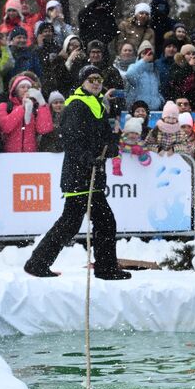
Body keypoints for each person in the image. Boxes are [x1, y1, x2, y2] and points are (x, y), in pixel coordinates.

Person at [24, 65, 129, 280]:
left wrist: (111, 147)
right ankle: (104, 268)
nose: (96, 82)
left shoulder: (98, 104)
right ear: (82, 82)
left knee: (81, 221)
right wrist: (88, 159)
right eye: (91, 79)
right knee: (95, 221)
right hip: (79, 175)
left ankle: (38, 262)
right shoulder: (76, 104)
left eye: (99, 78)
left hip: (92, 174)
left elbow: (106, 136)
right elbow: (71, 140)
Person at [0, 74, 52, 151]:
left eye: (28, 87)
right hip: (9, 155)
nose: (26, 89)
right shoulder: (4, 106)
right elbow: (6, 127)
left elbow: (44, 129)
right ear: (15, 90)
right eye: (22, 87)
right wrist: (23, 108)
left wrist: (42, 104)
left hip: (30, 156)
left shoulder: (36, 107)